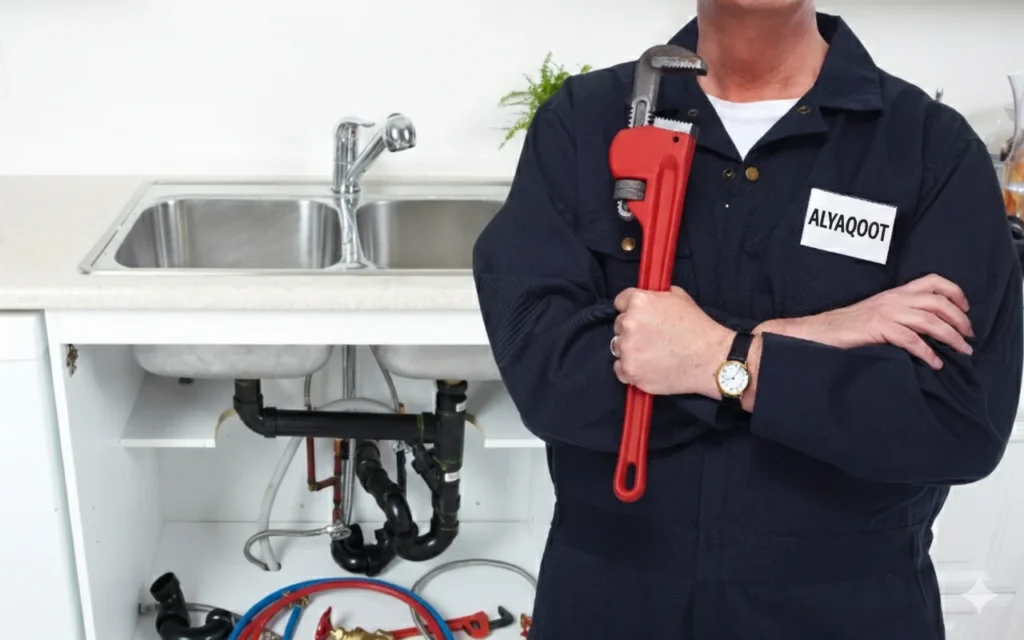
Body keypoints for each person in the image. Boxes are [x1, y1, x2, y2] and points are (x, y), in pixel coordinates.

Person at [472, 1, 1024, 638]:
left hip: (850, 609)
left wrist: (721, 357)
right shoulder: (584, 123)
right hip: (612, 601)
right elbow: (553, 378)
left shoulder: (931, 150)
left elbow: (955, 421)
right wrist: (816, 336)